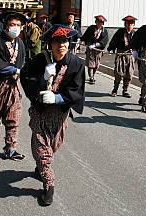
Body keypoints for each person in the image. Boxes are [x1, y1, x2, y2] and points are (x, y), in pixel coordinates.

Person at [20, 24, 86, 206]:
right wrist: (42, 79)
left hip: (60, 113)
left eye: (64, 41)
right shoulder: (40, 59)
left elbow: (77, 90)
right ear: (50, 44)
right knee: (42, 148)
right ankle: (48, 185)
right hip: (40, 111)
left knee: (54, 145)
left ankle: (40, 166)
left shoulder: (76, 63)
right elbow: (25, 76)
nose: (61, 45)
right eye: (57, 41)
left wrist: (57, 98)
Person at [0, 11, 27, 159]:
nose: (15, 28)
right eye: (12, 25)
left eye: (18, 25)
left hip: (13, 86)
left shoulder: (20, 43)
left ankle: (11, 147)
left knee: (13, 117)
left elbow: (22, 61)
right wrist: (16, 69)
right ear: (5, 27)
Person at [107, 15, 137, 98]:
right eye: (127, 24)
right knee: (118, 73)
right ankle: (115, 89)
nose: (129, 26)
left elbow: (138, 45)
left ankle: (125, 90)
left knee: (129, 73)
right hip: (121, 54)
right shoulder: (120, 32)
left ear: (133, 25)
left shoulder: (135, 34)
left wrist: (137, 53)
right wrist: (110, 48)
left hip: (130, 55)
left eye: (131, 24)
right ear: (125, 24)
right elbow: (114, 41)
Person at [81, 15, 109, 84]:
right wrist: (82, 41)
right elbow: (85, 36)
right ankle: (91, 77)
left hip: (98, 50)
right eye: (98, 22)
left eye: (101, 22)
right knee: (91, 63)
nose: (99, 24)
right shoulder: (91, 28)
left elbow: (104, 41)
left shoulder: (104, 31)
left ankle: (93, 75)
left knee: (96, 65)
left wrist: (96, 45)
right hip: (90, 49)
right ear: (95, 22)